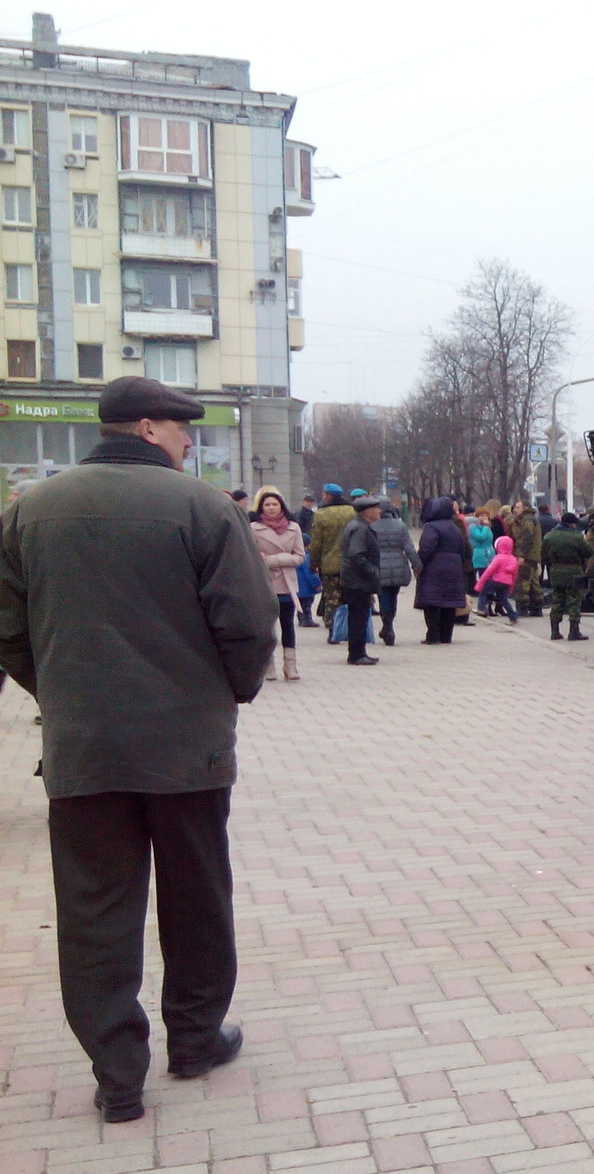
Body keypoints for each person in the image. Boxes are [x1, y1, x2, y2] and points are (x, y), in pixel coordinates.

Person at [0, 376, 274, 1122]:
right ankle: (195, 1039)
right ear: (150, 429)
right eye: (183, 431)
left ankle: (117, 1075)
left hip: (82, 749)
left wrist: (59, 695)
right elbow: (248, 625)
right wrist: (224, 695)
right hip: (187, 750)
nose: (189, 444)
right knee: (197, 895)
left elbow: (9, 629)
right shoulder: (204, 508)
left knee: (95, 910)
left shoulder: (30, 510)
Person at [250, 488, 306, 682]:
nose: (271, 508)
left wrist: (274, 559)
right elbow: (252, 556)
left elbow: (300, 556)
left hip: (287, 583)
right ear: (261, 507)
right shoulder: (254, 528)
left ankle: (290, 665)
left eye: (275, 504)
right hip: (264, 582)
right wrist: (278, 559)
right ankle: (268, 665)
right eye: (267, 504)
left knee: (288, 624)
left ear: (282, 506)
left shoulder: (293, 527)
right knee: (268, 627)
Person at [414, 497, 470, 644]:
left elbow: (427, 548)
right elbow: (463, 549)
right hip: (454, 568)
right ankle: (446, 636)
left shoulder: (431, 527)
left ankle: (433, 636)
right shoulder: (455, 528)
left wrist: (419, 564)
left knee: (431, 603)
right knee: (449, 604)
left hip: (434, 569)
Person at [338, 495, 385, 666]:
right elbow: (356, 554)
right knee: (358, 618)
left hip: (355, 580)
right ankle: (356, 654)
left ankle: (359, 652)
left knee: (359, 617)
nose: (380, 511)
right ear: (368, 511)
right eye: (377, 508)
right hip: (358, 581)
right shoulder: (360, 528)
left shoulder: (359, 525)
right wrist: (372, 571)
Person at [370, 499, 420, 647]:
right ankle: (389, 624)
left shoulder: (371, 526)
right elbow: (409, 548)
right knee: (393, 596)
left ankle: (387, 626)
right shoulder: (400, 525)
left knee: (383, 597)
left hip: (379, 566)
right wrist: (417, 564)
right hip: (398, 565)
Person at [543, 509, 594, 640]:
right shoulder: (576, 537)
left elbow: (543, 555)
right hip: (574, 571)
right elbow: (588, 552)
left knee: (557, 600)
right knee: (574, 600)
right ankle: (574, 631)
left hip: (556, 571)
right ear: (572, 524)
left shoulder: (549, 536)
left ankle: (554, 630)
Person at [308, 482, 354, 627]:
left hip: (329, 565)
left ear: (329, 496)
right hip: (352, 564)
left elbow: (316, 543)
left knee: (332, 599)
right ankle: (348, 628)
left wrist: (313, 564)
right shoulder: (353, 512)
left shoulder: (321, 514)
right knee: (351, 598)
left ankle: (332, 628)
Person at [474, 534, 521, 622]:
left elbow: (489, 572)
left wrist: (479, 584)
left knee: (484, 592)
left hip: (497, 580)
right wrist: (511, 587)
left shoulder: (498, 558)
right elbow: (515, 574)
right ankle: (513, 617)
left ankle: (481, 609)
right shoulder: (514, 559)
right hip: (507, 582)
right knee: (504, 599)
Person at [510, 501, 543, 618]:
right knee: (534, 582)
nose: (515, 510)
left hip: (527, 555)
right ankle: (536, 607)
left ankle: (522, 607)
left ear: (525, 508)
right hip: (533, 555)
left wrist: (521, 555)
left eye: (518, 507)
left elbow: (527, 537)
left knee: (523, 581)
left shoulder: (527, 520)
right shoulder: (531, 518)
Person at [468, 507, 496, 589]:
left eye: (486, 516)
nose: (484, 517)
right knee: (483, 576)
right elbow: (480, 537)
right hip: (480, 554)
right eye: (482, 515)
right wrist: (486, 527)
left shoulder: (487, 527)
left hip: (489, 553)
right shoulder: (473, 527)